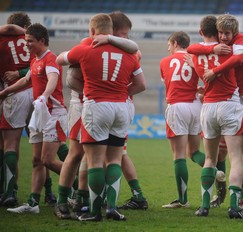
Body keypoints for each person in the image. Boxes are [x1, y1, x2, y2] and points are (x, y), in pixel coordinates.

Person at [57, 13, 145, 221]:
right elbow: (141, 84)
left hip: (94, 105)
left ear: (92, 31)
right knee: (115, 158)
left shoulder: (86, 48)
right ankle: (110, 207)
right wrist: (122, 93)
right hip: (121, 106)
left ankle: (92, 210)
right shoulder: (130, 54)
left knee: (92, 159)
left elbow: (63, 65)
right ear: (113, 32)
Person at [188, 14, 243, 211]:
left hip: (237, 99)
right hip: (229, 103)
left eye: (227, 33)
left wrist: (214, 71)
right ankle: (227, 196)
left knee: (242, 147)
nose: (223, 36)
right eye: (220, 33)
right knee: (230, 154)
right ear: (217, 31)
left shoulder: (233, 46)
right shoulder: (224, 49)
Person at [0, 23, 68, 214]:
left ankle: (81, 184)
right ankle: (32, 204)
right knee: (37, 160)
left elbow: (53, 79)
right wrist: (5, 92)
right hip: (40, 114)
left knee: (48, 160)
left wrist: (45, 96)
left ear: (42, 41)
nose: (26, 44)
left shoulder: (50, 59)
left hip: (53, 114)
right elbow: (26, 80)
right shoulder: (35, 59)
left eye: (30, 41)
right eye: (26, 40)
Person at [159, 31, 205, 209]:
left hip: (177, 107)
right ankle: (214, 171)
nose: (168, 48)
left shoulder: (164, 61)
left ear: (175, 43)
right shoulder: (195, 58)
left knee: (179, 155)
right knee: (194, 152)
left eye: (169, 44)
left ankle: (183, 200)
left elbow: (169, 83)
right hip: (195, 106)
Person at [0, 12, 33, 207]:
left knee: (9, 144)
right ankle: (53, 191)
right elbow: (41, 63)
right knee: (42, 146)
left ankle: (10, 191)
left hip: (13, 93)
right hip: (35, 93)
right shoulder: (32, 39)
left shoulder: (3, 40)